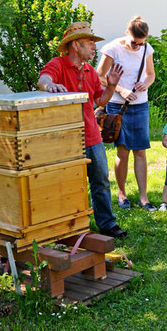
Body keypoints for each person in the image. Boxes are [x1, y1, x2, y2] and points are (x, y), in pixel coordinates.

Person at [37, 21, 128, 239]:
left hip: (92, 136)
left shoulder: (90, 71)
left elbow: (100, 100)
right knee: (68, 184)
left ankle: (107, 224)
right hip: (66, 139)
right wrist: (49, 86)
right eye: (90, 43)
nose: (94, 47)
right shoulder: (58, 64)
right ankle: (71, 225)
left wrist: (112, 87)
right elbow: (43, 79)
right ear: (76, 45)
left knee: (101, 182)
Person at [97, 16, 156, 212]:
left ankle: (143, 197)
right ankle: (122, 194)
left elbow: (151, 74)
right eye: (134, 42)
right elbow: (99, 77)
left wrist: (144, 84)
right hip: (117, 106)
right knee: (122, 151)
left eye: (141, 43)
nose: (137, 46)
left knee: (140, 151)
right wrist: (121, 90)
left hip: (140, 105)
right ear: (126, 33)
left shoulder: (146, 49)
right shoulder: (112, 49)